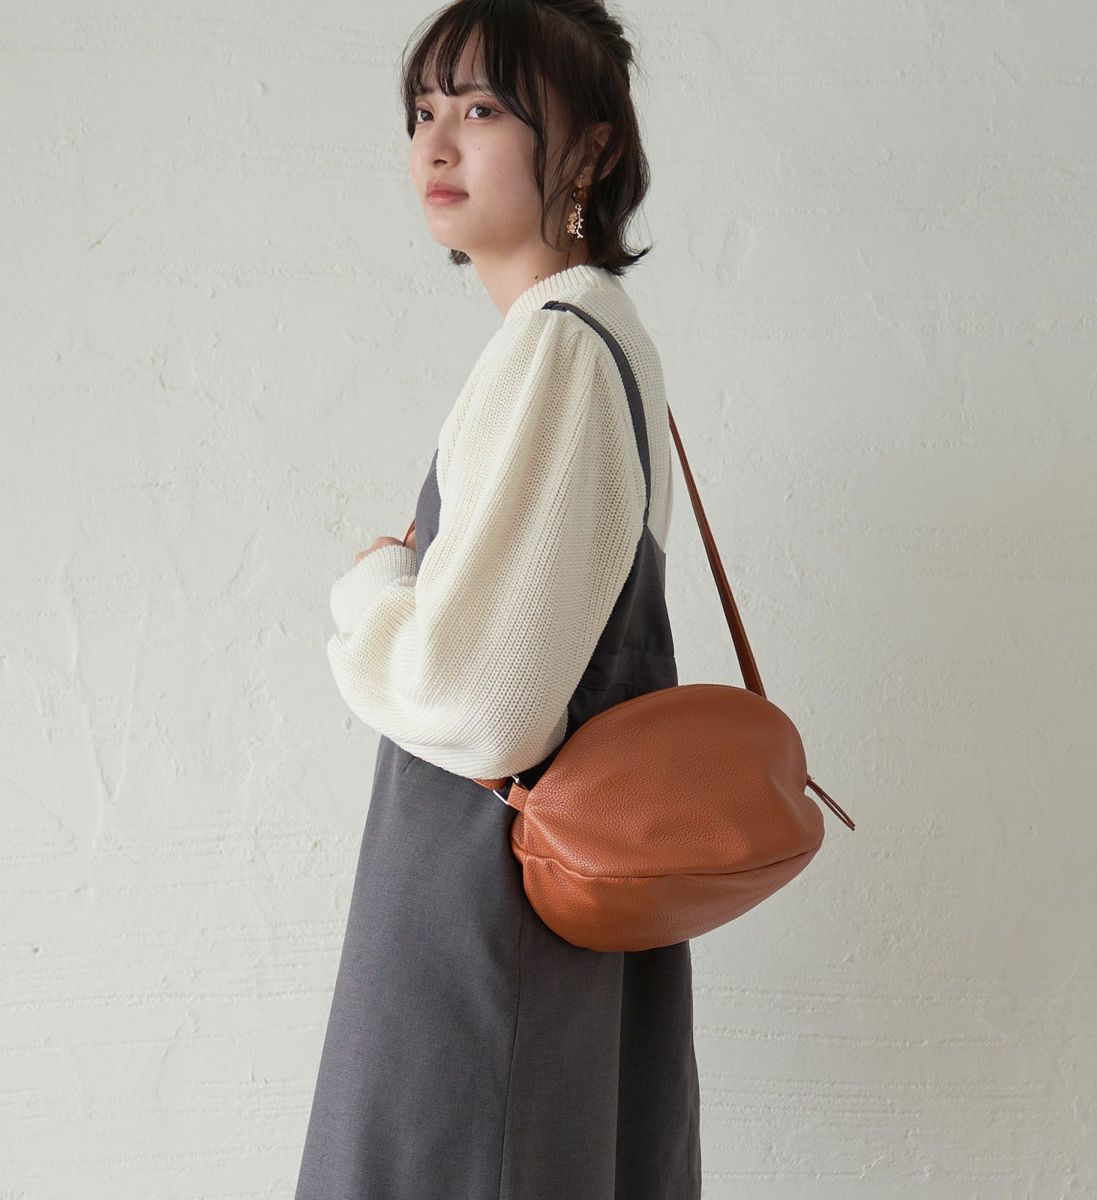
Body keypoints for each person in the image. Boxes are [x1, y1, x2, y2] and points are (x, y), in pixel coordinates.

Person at [294, 2, 701, 1197]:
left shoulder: (560, 346)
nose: (436, 144)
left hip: (482, 946)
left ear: (591, 150)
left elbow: (486, 707)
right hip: (522, 947)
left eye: (481, 110)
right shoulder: (574, 339)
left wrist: (376, 592)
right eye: (424, 111)